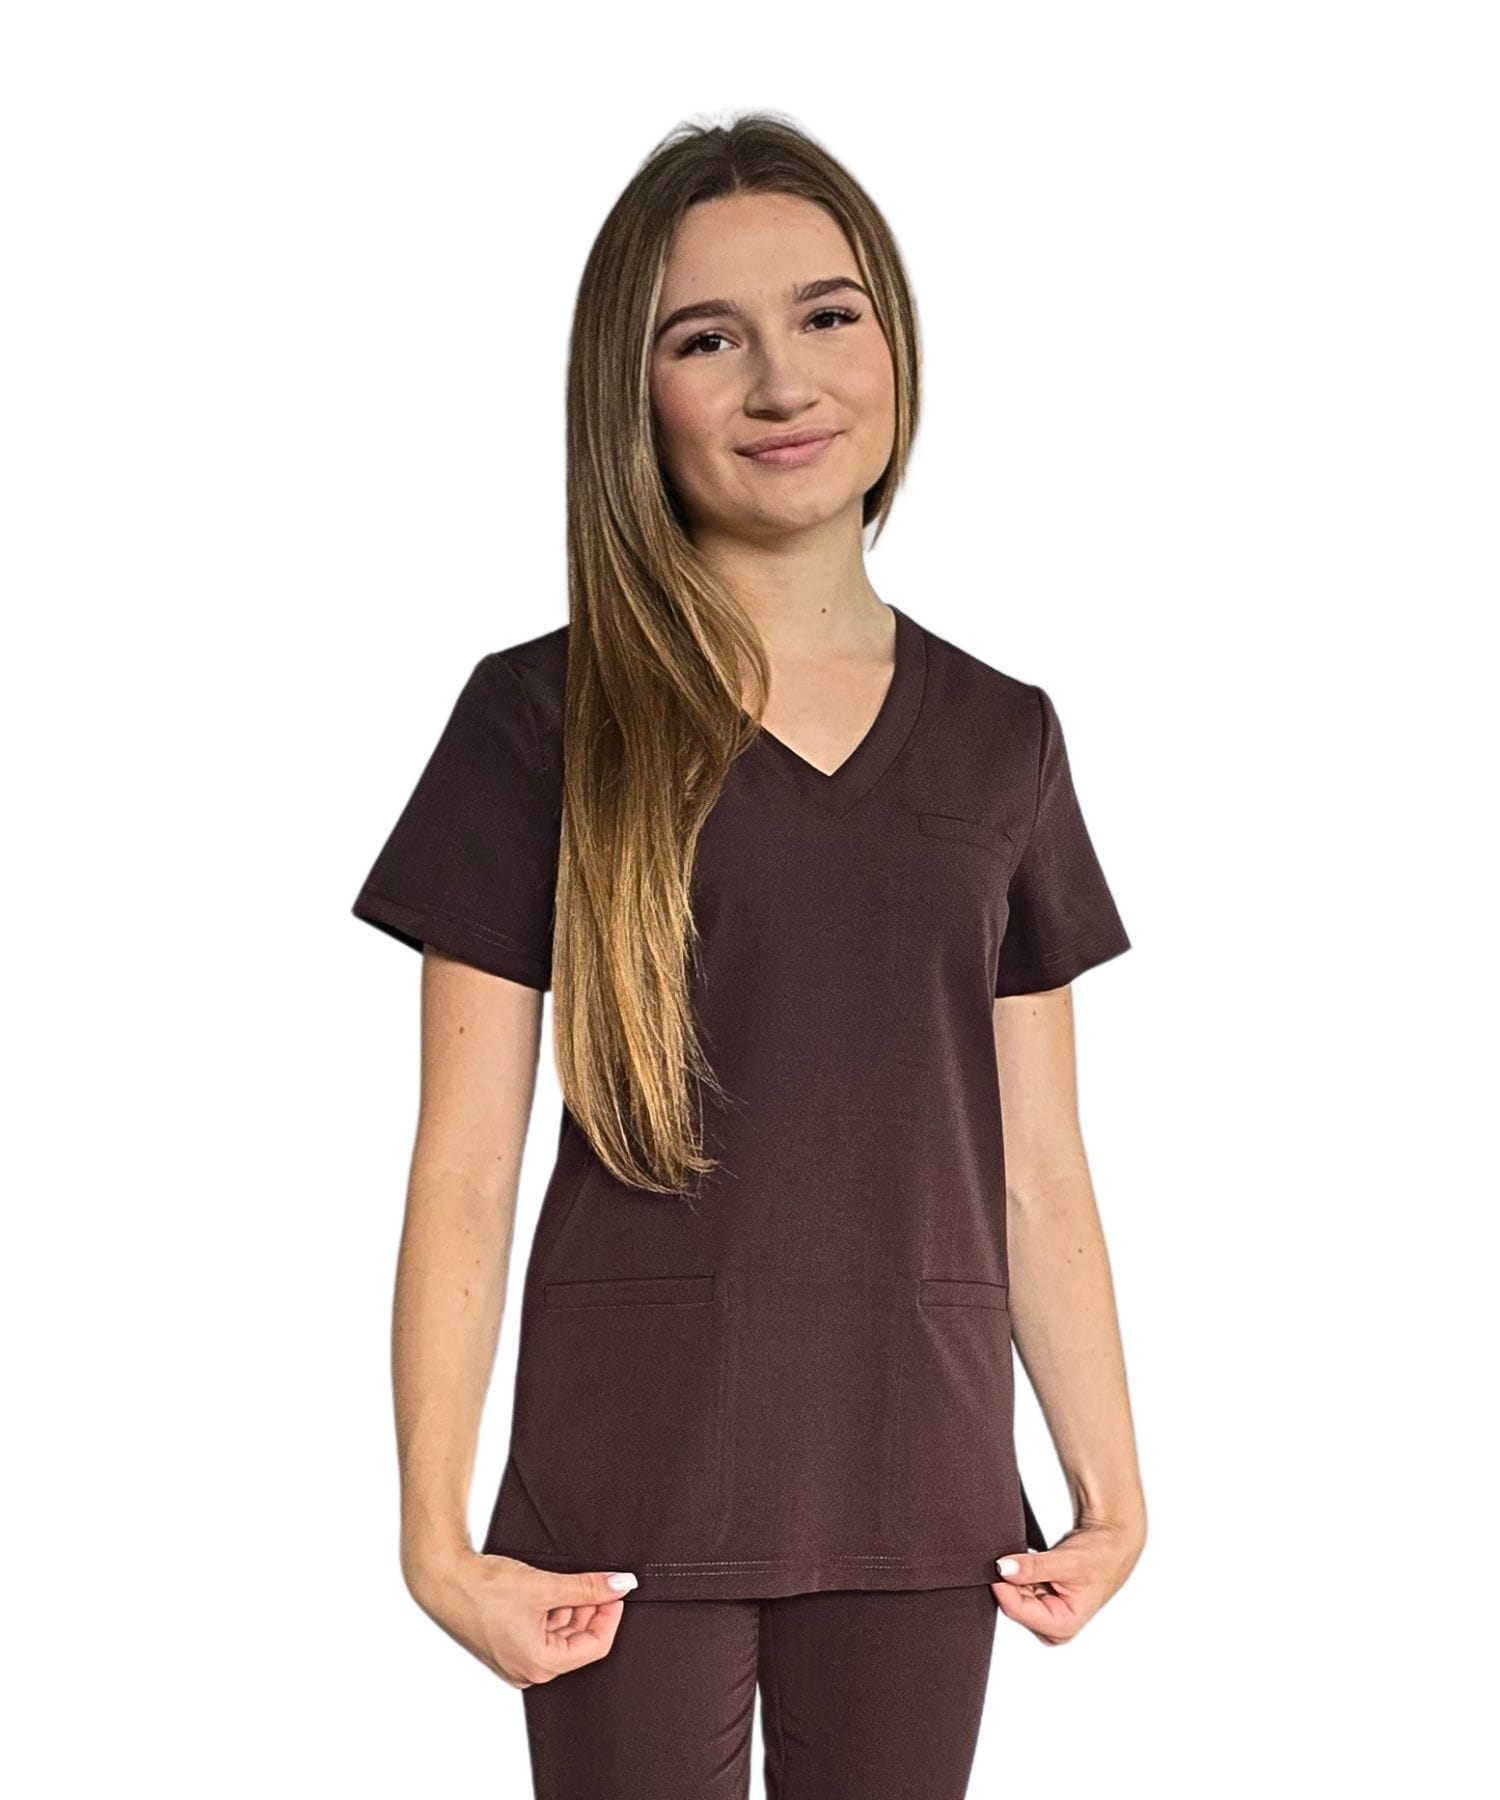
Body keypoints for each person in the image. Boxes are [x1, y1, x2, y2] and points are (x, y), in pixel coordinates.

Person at [351, 111, 1147, 1800]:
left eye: (826, 314)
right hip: (624, 1493)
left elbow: (1036, 1168)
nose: (783, 381)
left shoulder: (1003, 738)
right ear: (632, 394)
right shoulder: (540, 719)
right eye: (708, 339)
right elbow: (465, 1167)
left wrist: (1113, 1488)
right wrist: (433, 1534)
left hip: (920, 1476)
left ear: (893, 342)